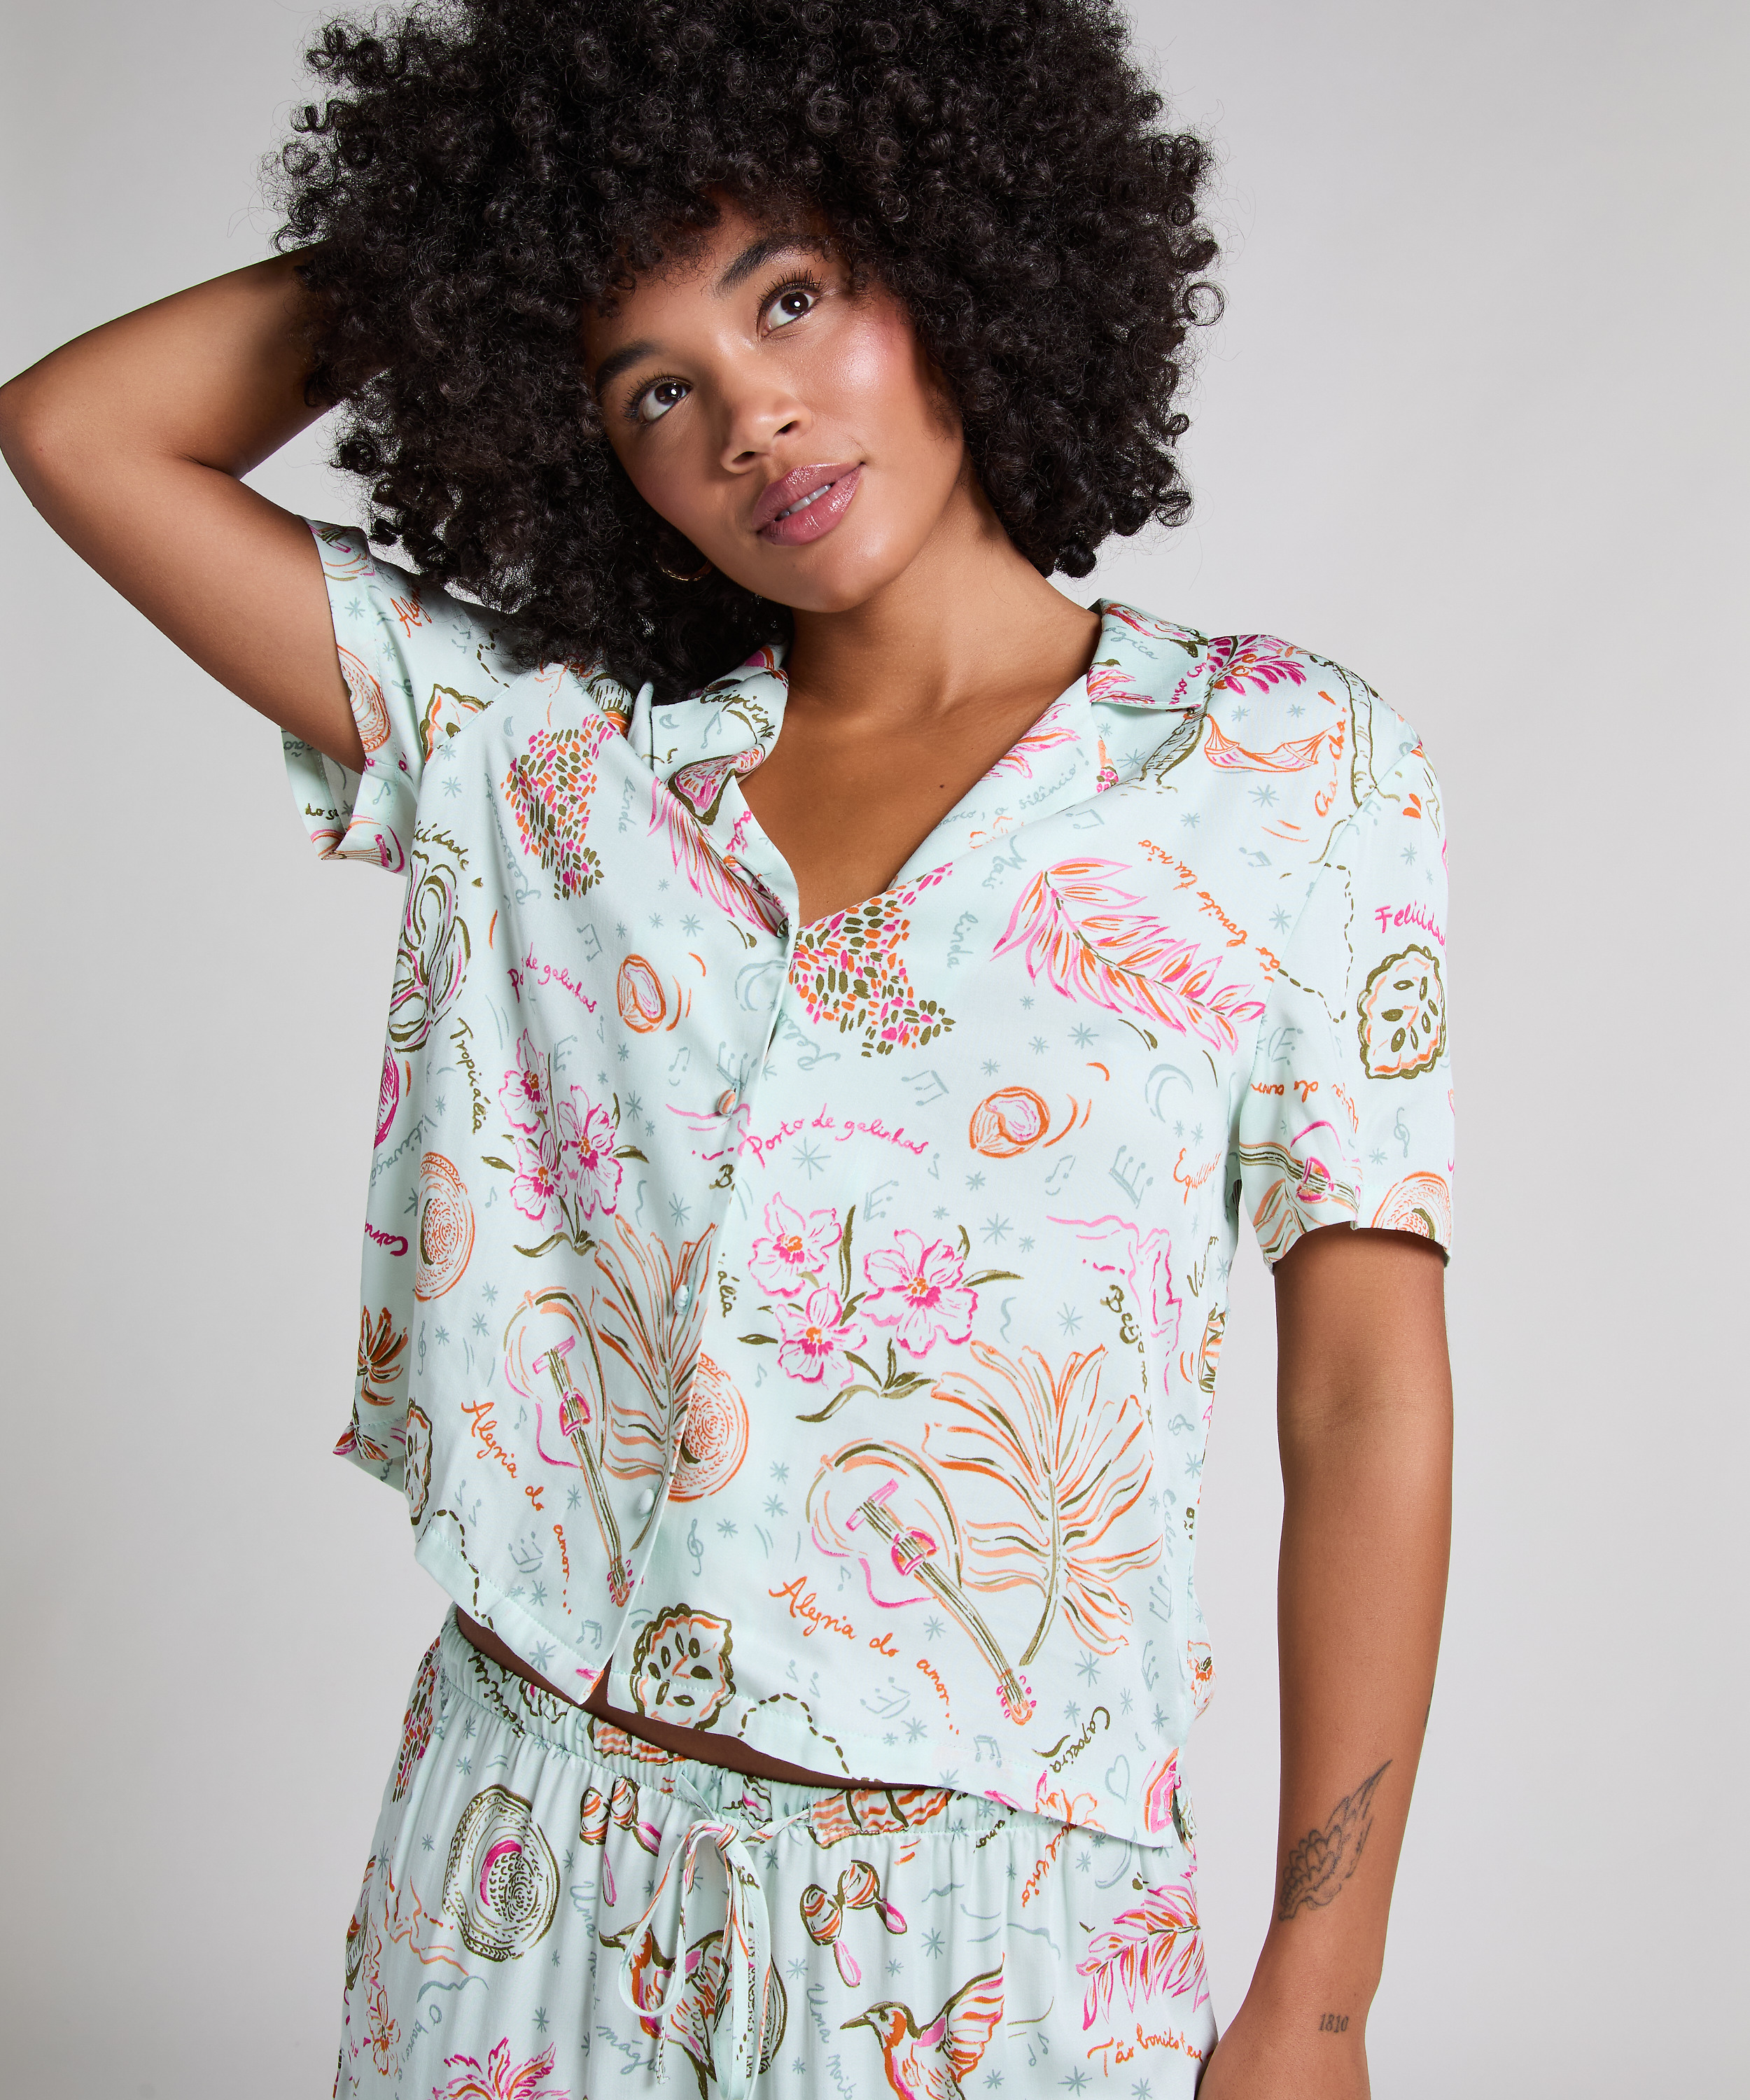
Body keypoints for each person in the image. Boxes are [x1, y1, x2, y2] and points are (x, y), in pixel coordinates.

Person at [0, 1, 1452, 2092]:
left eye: (791, 295)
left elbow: (1364, 1391)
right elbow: (81, 433)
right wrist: (472, 231)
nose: (752, 415)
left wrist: (1319, 1997)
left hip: (994, 1928)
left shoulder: (1286, 771)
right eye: (654, 384)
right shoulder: (545, 757)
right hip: (520, 1884)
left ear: (950, 249)